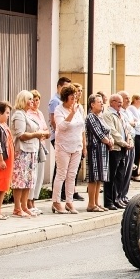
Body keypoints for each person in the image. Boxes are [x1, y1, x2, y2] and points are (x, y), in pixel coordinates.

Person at [10, 90, 47, 218]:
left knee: (29, 180)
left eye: (33, 99)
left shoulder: (28, 114)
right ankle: (17, 207)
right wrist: (37, 134)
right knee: (20, 179)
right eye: (30, 99)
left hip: (32, 150)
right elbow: (21, 135)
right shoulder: (19, 115)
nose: (32, 101)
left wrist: (40, 133)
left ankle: (24, 206)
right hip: (22, 151)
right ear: (23, 100)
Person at [52, 84, 85, 214]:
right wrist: (72, 113)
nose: (74, 100)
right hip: (63, 146)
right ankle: (56, 201)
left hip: (76, 145)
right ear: (65, 98)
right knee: (61, 174)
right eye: (72, 98)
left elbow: (82, 127)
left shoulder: (79, 109)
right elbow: (62, 126)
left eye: (75, 97)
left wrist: (84, 145)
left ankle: (69, 202)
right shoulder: (59, 110)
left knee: (72, 175)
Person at [102, 94, 133, 209]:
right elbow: (112, 131)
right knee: (111, 176)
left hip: (123, 148)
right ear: (112, 102)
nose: (121, 104)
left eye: (121, 102)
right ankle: (109, 201)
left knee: (120, 176)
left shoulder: (121, 114)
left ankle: (118, 198)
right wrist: (124, 143)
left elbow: (127, 129)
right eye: (118, 102)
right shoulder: (108, 115)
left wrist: (129, 140)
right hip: (115, 149)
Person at [85, 94, 113, 211]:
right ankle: (91, 204)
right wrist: (109, 142)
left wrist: (110, 139)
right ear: (92, 104)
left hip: (103, 150)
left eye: (102, 102)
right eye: (99, 102)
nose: (102, 104)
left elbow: (107, 130)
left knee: (99, 178)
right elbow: (99, 134)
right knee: (93, 177)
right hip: (94, 150)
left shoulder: (100, 116)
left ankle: (96, 203)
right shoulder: (91, 117)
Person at [28, 90, 50, 215]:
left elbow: (46, 130)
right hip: (33, 146)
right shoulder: (28, 114)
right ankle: (28, 201)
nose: (35, 103)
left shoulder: (40, 113)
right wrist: (41, 133)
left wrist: (44, 134)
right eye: (33, 100)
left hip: (42, 145)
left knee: (39, 175)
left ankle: (34, 200)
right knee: (33, 174)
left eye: (37, 100)